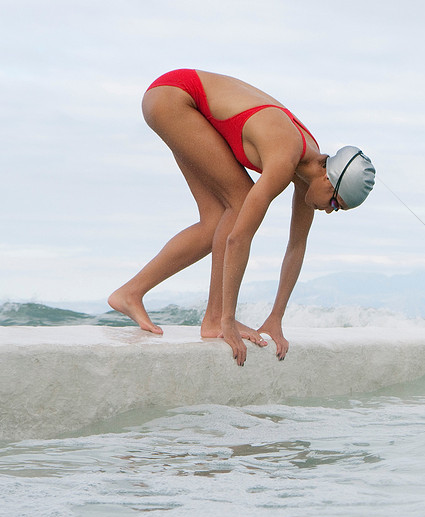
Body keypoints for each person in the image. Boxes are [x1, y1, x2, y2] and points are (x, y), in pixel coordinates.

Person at [108, 69, 376, 365]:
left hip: (177, 99)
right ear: (328, 181)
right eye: (335, 205)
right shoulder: (286, 155)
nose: (329, 211)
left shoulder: (307, 171)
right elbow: (239, 238)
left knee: (215, 221)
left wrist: (275, 318)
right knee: (239, 202)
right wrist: (229, 320)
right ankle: (213, 320)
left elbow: (296, 246)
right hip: (175, 96)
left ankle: (130, 293)